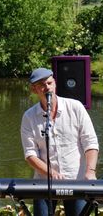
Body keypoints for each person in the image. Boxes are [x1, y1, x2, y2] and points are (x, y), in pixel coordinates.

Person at [20, 68, 99, 216]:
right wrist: (51, 173)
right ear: (34, 89)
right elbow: (30, 155)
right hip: (44, 183)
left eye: (49, 83)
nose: (47, 87)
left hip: (77, 179)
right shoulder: (29, 117)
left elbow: (91, 143)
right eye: (42, 85)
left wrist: (90, 171)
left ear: (55, 83)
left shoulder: (75, 107)